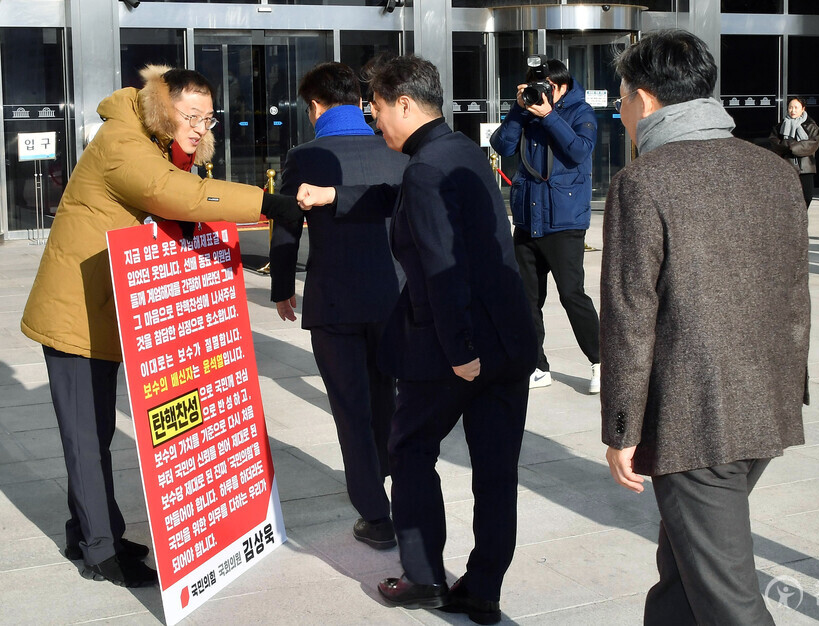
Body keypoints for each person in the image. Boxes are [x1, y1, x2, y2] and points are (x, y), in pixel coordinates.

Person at [20, 66, 303, 588]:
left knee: (94, 432)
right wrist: (268, 203)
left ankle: (85, 530)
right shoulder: (123, 140)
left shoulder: (156, 144)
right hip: (78, 313)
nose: (198, 127)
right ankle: (101, 552)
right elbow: (172, 194)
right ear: (160, 107)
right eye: (188, 116)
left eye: (207, 117)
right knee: (88, 437)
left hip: (106, 308)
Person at [296, 54, 537, 625]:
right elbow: (399, 198)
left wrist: (460, 354)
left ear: (404, 104)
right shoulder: (454, 153)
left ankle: (424, 576)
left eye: (378, 111)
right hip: (509, 340)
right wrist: (335, 198)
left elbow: (442, 267)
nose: (376, 124)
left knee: (407, 450)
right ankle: (481, 590)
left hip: (455, 350)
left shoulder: (425, 169)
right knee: (496, 471)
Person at [601, 30, 810, 625]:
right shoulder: (774, 172)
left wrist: (622, 428)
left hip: (696, 419)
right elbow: (795, 294)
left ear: (644, 99)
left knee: (728, 599)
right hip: (764, 405)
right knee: (685, 573)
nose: (620, 115)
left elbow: (630, 316)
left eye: (621, 101)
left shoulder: (644, 180)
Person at [270, 62, 408, 549]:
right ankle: (389, 474)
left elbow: (287, 224)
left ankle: (375, 513)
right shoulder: (395, 148)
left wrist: (282, 285)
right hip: (392, 297)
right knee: (385, 394)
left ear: (315, 106)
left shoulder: (305, 155)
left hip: (334, 301)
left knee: (349, 406)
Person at [489, 58, 600, 393]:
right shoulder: (526, 112)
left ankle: (601, 363)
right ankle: (536, 366)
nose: (540, 92)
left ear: (561, 85)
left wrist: (549, 115)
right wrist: (518, 110)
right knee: (526, 298)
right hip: (526, 219)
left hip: (564, 220)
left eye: (546, 86)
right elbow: (501, 145)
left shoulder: (581, 112)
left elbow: (579, 151)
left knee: (572, 295)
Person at [769, 96, 819, 207]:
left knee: (807, 196)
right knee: (787, 197)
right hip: (786, 166)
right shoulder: (780, 126)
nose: (793, 110)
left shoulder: (811, 126)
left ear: (803, 109)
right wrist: (788, 145)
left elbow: (812, 144)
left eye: (796, 107)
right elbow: (774, 142)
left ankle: (801, 218)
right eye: (790, 107)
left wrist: (792, 147)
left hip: (806, 167)